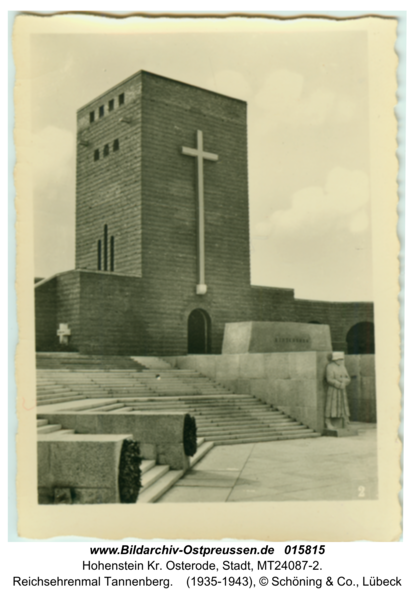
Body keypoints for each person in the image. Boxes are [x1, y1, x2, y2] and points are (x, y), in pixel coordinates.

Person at [325, 351, 351, 430]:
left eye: (342, 359)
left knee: (343, 404)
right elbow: (329, 379)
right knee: (331, 405)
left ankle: (345, 421)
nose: (341, 361)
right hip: (334, 389)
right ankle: (327, 422)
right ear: (335, 359)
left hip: (342, 389)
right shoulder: (330, 366)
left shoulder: (343, 367)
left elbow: (348, 378)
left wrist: (344, 383)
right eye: (339, 359)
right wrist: (338, 384)